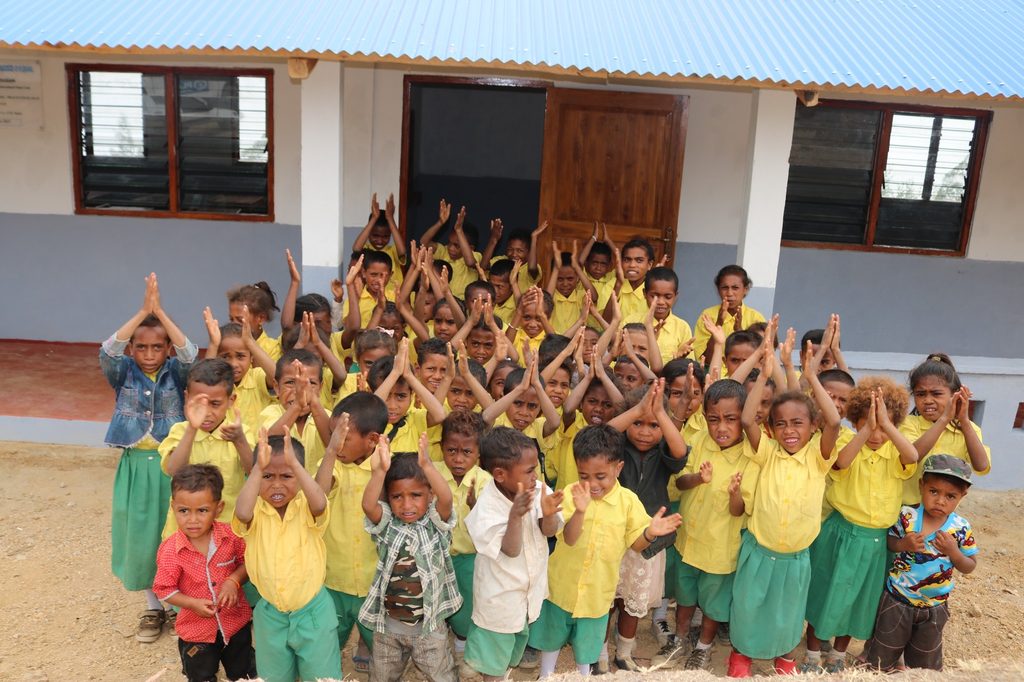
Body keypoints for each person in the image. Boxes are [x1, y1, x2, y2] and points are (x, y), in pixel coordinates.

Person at [727, 337, 841, 677]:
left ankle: (785, 658)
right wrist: (763, 374)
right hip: (759, 550)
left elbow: (834, 422)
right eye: (781, 424)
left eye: (797, 423)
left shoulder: (818, 459)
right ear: (772, 430)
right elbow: (748, 421)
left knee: (788, 612)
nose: (789, 430)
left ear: (812, 426)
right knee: (748, 607)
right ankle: (742, 656)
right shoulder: (767, 453)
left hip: (796, 556)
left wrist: (811, 375)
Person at [529, 425, 682, 677]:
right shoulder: (570, 494)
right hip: (562, 586)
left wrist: (649, 533)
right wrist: (579, 510)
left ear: (618, 468)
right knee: (552, 635)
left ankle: (583, 675)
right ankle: (546, 674)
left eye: (600, 476)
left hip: (598, 593)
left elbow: (636, 544)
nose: (591, 484)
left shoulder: (628, 502)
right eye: (584, 475)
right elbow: (568, 538)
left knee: (588, 644)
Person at [100, 273, 198, 642]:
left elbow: (191, 353)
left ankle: (177, 605)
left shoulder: (177, 372)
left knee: (172, 533)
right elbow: (107, 350)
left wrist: (161, 313)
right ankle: (153, 608)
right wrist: (143, 311)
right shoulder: (121, 371)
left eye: (158, 347)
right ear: (133, 350)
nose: (150, 354)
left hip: (171, 467)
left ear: (166, 349)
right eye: (141, 347)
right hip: (135, 469)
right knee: (141, 535)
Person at [802, 377, 919, 673]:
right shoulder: (846, 441)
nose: (877, 434)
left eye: (884, 426)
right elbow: (841, 463)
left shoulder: (895, 450)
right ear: (855, 421)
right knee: (824, 594)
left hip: (876, 542)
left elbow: (913, 455)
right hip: (840, 534)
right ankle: (813, 654)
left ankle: (839, 655)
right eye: (869, 425)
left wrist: (887, 426)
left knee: (858, 603)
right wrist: (866, 428)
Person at [655, 379, 759, 671]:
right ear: (705, 417)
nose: (721, 428)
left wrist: (734, 493)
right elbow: (680, 481)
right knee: (685, 595)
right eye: (714, 420)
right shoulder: (699, 440)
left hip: (720, 549)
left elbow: (739, 509)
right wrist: (699, 479)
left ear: (743, 420)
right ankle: (681, 637)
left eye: (730, 420)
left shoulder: (750, 456)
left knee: (713, 604)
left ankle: (703, 646)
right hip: (689, 540)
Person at [232, 432, 341, 682]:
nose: (277, 485)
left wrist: (296, 465)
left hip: (313, 612)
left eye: (287, 476)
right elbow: (242, 511)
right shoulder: (255, 510)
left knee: (322, 677)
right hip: (270, 614)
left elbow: (320, 504)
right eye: (268, 476)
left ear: (300, 478)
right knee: (274, 677)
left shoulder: (306, 506)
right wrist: (258, 467)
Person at [463, 427, 565, 680]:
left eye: (536, 468)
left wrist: (549, 512)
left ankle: (488, 667)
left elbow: (548, 531)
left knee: (508, 656)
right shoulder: (487, 508)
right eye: (529, 471)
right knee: (494, 664)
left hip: (526, 597)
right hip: (500, 602)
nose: (536, 476)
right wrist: (515, 516)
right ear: (500, 474)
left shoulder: (538, 489)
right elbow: (511, 549)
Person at [358, 435, 461, 681]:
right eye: (397, 497)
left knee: (442, 675)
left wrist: (427, 466)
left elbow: (446, 498)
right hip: (388, 629)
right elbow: (368, 505)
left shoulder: (435, 524)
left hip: (429, 628)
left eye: (416, 495)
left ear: (430, 495)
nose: (406, 504)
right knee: (382, 676)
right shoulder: (387, 525)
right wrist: (379, 472)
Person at [862, 455, 978, 671]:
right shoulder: (907, 516)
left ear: (962, 496)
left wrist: (953, 552)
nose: (941, 501)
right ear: (921, 485)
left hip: (935, 606)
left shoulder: (961, 528)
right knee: (882, 657)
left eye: (950, 496)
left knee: (925, 667)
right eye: (934, 492)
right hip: (897, 599)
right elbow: (889, 542)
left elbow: (969, 565)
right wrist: (903, 544)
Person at [607, 379, 689, 671]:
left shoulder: (666, 450)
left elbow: (680, 453)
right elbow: (600, 434)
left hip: (649, 541)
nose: (644, 431)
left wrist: (661, 414)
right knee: (606, 600)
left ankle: (624, 651)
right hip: (612, 537)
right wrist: (640, 409)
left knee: (633, 601)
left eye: (653, 425)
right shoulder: (615, 446)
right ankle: (600, 650)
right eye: (637, 422)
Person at [153, 465, 257, 682]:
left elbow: (249, 563)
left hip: (236, 624)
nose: (192, 520)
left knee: (244, 673)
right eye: (184, 511)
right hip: (196, 633)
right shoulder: (171, 550)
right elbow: (163, 589)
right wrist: (191, 603)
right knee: (200, 676)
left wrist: (234, 580)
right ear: (173, 508)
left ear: (218, 508)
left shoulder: (231, 537)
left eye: (202, 510)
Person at [314, 393, 389, 673]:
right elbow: (318, 496)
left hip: (375, 582)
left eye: (343, 438)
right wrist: (330, 452)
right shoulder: (334, 468)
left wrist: (382, 471)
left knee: (381, 649)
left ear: (371, 440)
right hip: (333, 580)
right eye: (333, 436)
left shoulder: (384, 468)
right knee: (326, 642)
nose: (336, 443)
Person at [160, 359, 254, 531]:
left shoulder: (241, 433)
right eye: (199, 402)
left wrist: (239, 441)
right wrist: (192, 429)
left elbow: (254, 472)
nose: (207, 412)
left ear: (231, 400)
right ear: (187, 397)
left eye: (215, 404)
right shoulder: (180, 431)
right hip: (184, 530)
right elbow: (173, 469)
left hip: (228, 530)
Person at [900, 354, 990, 505]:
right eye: (920, 394)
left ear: (955, 394)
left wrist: (965, 422)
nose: (928, 400)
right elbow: (912, 456)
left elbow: (981, 466)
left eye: (936, 394)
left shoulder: (968, 429)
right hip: (907, 510)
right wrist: (944, 420)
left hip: (942, 513)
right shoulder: (908, 424)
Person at [436, 412, 491, 657]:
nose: (458, 459)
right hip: (437, 556)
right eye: (451, 451)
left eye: (466, 452)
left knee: (466, 602)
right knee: (435, 601)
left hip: (470, 557)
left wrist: (475, 506)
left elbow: (490, 524)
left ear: (479, 453)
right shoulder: (432, 474)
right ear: (442, 448)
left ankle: (461, 645)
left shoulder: (484, 481)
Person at [260, 350, 331, 476]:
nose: (300, 390)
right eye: (290, 383)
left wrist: (314, 402)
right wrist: (297, 405)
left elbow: (332, 443)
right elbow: (268, 443)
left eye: (310, 383)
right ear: (276, 387)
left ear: (320, 388)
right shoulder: (271, 413)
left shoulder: (325, 415)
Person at [690, 265, 766, 363]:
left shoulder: (756, 317)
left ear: (745, 289)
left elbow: (759, 360)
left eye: (735, 288)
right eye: (725, 288)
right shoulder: (707, 315)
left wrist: (740, 332)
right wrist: (718, 324)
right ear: (718, 290)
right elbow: (705, 360)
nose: (729, 293)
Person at [352, 192, 407, 298]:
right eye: (375, 235)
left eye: (385, 236)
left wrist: (390, 218)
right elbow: (356, 248)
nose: (380, 240)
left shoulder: (393, 251)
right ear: (369, 234)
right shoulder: (366, 251)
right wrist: (374, 219)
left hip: (392, 300)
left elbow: (403, 252)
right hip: (371, 298)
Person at [644, 267, 694, 365]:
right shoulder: (631, 321)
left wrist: (679, 360)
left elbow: (687, 367)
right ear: (644, 294)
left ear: (676, 296)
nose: (661, 302)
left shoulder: (682, 327)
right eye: (654, 296)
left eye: (668, 297)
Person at [227, 281, 281, 360]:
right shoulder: (227, 346)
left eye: (240, 320)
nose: (233, 324)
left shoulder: (273, 349)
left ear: (261, 318)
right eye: (231, 319)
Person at [611, 237, 655, 324]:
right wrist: (618, 284)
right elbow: (606, 321)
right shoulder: (611, 285)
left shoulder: (653, 289)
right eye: (627, 260)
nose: (632, 265)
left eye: (639, 260)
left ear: (649, 264)